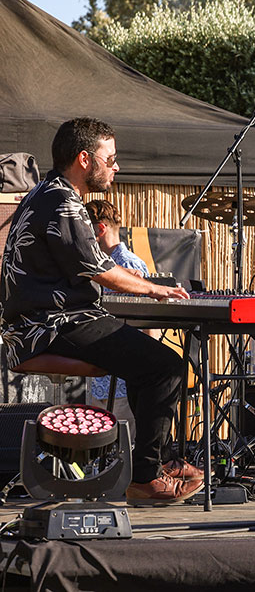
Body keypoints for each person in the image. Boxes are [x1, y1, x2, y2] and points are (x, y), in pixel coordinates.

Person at [0, 118, 204, 505]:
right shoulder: (61, 201)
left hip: (44, 322)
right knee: (165, 367)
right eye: (110, 159)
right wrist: (154, 289)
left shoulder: (44, 194)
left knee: (149, 365)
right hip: (52, 325)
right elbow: (99, 269)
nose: (116, 166)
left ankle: (151, 466)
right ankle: (144, 479)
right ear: (83, 159)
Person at [84, 199, 149, 417]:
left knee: (124, 447)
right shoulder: (98, 265)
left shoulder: (129, 264)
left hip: (122, 385)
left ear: (100, 229)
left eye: (86, 230)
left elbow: (149, 322)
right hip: (100, 379)